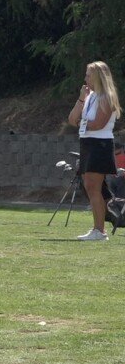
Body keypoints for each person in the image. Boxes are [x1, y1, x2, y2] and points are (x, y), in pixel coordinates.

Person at [66, 60, 121, 241]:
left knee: (92, 186)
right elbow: (72, 119)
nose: (85, 78)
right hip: (87, 143)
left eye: (88, 75)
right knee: (92, 187)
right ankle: (100, 228)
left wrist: (81, 122)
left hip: (100, 145)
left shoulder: (107, 97)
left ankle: (99, 231)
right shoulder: (90, 96)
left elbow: (98, 124)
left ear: (98, 77)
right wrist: (81, 98)